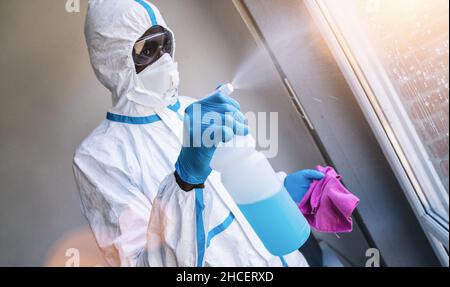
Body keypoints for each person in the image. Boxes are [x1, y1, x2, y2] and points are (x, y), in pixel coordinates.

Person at [73, 0, 324, 267]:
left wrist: (279, 188)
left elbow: (229, 186)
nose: (164, 59)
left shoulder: (190, 108)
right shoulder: (99, 157)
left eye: (165, 45)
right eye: (147, 49)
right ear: (113, 59)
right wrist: (184, 180)